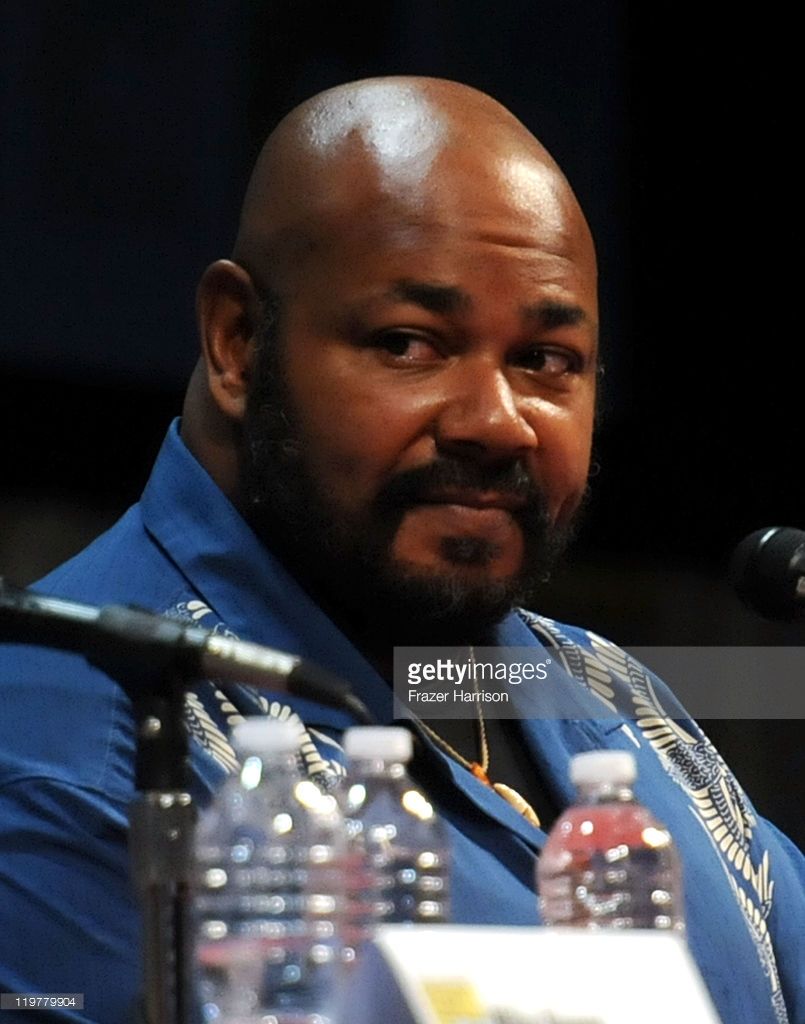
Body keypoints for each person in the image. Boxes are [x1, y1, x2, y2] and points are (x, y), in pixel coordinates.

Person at [0, 77, 801, 1024]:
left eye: (545, 361)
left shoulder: (608, 693)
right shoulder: (73, 746)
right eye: (411, 344)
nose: (496, 423)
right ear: (238, 342)